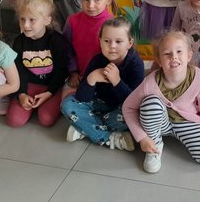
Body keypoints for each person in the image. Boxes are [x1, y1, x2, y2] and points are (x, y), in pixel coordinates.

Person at [123, 31, 200, 173]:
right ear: (159, 61)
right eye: (167, 54)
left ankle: (194, 140)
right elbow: (128, 107)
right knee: (151, 104)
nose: (174, 57)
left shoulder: (199, 77)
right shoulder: (150, 82)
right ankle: (155, 145)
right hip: (160, 122)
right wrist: (142, 138)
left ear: (189, 56)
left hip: (186, 122)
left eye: (179, 51)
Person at [61, 18, 144, 150]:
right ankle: (108, 137)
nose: (112, 46)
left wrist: (117, 81)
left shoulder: (136, 64)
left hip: (121, 108)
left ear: (129, 43)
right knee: (67, 104)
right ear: (100, 41)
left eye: (118, 41)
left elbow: (134, 103)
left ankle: (84, 127)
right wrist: (91, 78)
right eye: (107, 41)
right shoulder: (97, 60)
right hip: (98, 102)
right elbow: (82, 97)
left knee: (136, 116)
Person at [6, 0, 68, 128]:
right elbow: (18, 70)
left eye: (32, 20)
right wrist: (22, 94)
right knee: (14, 121)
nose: (25, 25)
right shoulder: (19, 41)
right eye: (22, 19)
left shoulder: (57, 41)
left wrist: (49, 93)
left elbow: (61, 70)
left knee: (46, 120)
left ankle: (48, 102)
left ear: (47, 20)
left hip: (51, 86)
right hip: (28, 85)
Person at [62, 0, 117, 98]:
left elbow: (118, 55)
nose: (91, 5)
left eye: (97, 0)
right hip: (79, 77)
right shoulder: (72, 21)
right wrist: (73, 72)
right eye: (86, 0)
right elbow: (66, 48)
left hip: (105, 77)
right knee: (66, 103)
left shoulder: (113, 24)